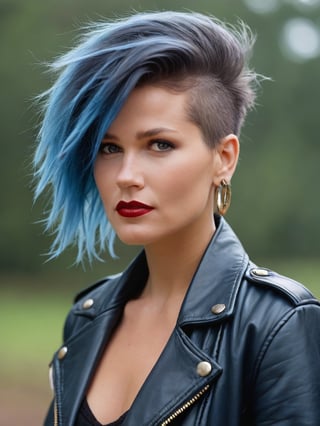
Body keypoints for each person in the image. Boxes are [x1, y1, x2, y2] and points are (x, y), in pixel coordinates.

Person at [33, 11, 320, 426]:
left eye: (160, 145)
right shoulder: (86, 318)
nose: (127, 177)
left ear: (224, 158)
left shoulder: (277, 325)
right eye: (109, 148)